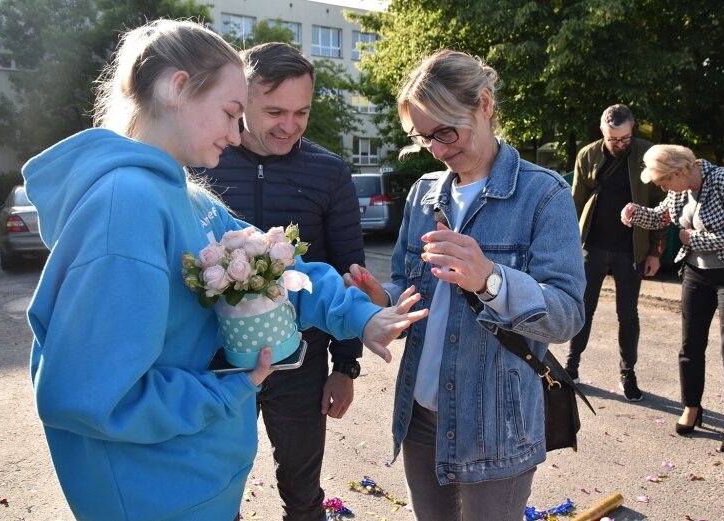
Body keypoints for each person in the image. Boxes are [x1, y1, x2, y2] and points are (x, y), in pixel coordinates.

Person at [21, 19, 427, 521]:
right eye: (232, 113)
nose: (238, 135)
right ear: (177, 88)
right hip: (155, 496)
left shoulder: (187, 198)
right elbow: (89, 395)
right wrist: (234, 386)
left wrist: (358, 315)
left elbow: (277, 264)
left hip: (194, 485)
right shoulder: (125, 206)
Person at [345, 50, 586, 521]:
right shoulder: (423, 194)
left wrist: (491, 280)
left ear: (485, 104)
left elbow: (567, 316)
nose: (435, 149)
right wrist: (384, 300)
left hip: (495, 421)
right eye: (422, 137)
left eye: (445, 132)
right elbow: (408, 285)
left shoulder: (544, 194)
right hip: (421, 414)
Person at [206, 42, 364, 521]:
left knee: (302, 490)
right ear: (242, 98)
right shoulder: (203, 161)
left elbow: (348, 272)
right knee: (215, 486)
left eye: (302, 112)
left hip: (301, 363)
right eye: (275, 110)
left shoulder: (329, 172)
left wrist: (346, 366)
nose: (289, 125)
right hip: (215, 363)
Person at [621, 144, 724, 453]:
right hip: (697, 272)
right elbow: (661, 217)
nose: (662, 188)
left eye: (663, 182)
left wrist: (694, 238)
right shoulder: (678, 191)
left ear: (678, 172)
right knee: (690, 346)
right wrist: (636, 213)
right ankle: (692, 406)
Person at [566, 103, 667, 401]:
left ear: (632, 128)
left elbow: (663, 209)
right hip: (592, 246)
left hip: (630, 250)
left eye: (624, 139)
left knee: (628, 315)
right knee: (583, 308)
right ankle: (571, 367)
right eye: (613, 140)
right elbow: (574, 202)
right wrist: (568, 246)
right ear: (602, 132)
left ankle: (628, 372)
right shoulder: (587, 155)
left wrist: (654, 251)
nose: (620, 144)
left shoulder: (648, 155)